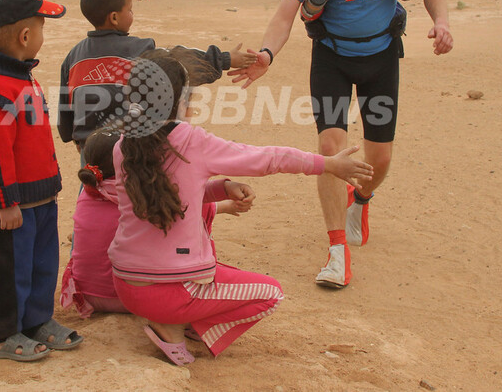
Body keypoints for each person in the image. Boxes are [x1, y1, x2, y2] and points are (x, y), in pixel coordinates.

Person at [229, 0, 454, 289]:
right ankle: (336, 253)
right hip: (331, 58)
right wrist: (266, 55)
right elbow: (284, 14)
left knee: (379, 158)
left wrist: (441, 23)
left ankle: (361, 201)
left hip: (382, 57)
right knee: (332, 148)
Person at [109, 49, 373, 365]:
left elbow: (166, 193)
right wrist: (326, 164)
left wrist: (221, 188)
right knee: (270, 294)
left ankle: (174, 319)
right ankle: (173, 327)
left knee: (212, 272)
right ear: (181, 103)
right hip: (171, 292)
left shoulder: (124, 144)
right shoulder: (191, 139)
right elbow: (266, 159)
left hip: (126, 284)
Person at [0, 0, 83, 362]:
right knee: (8, 271)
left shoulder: (22, 78)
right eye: (42, 29)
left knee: (40, 263)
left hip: (39, 196)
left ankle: (35, 321)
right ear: (24, 35)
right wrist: (5, 202)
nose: (43, 37)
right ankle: (1, 336)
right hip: (11, 203)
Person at [59, 127, 256, 318]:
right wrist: (226, 205)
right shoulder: (134, 193)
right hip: (122, 297)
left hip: (87, 295)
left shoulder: (88, 192)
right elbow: (181, 207)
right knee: (187, 213)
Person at [57, 0, 256, 148]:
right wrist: (225, 59)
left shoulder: (72, 58)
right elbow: (181, 64)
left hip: (91, 156)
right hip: (131, 151)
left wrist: (78, 140)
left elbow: (65, 121)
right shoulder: (141, 50)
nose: (132, 14)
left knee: (92, 194)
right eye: (130, 9)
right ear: (115, 18)